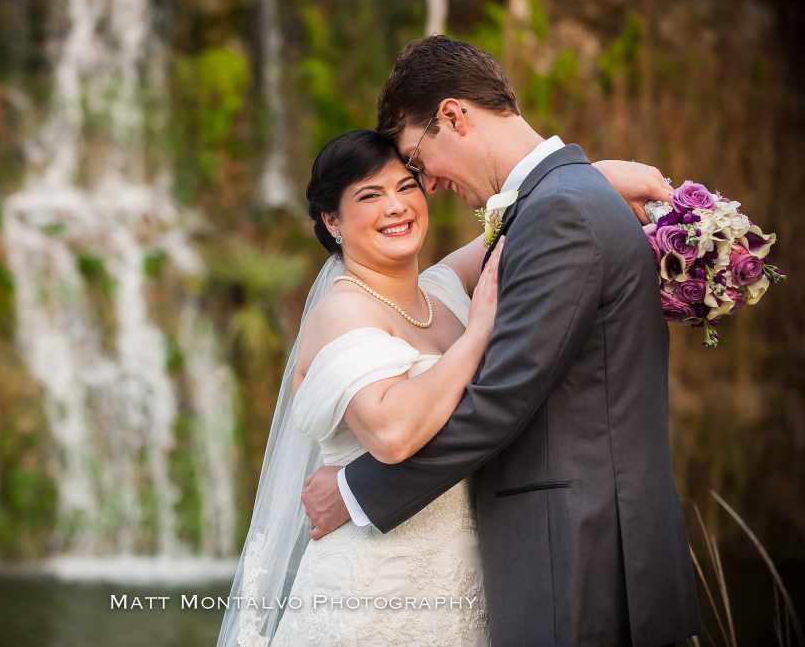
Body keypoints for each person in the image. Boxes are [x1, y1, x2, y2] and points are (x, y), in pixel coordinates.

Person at [299, 35, 702, 646]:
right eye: (375, 191)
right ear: (332, 221)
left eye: (414, 164)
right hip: (547, 550)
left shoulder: (556, 213)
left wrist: (354, 493)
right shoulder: (554, 204)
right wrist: (604, 173)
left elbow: (497, 402)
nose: (424, 185)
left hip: (576, 549)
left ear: (454, 117)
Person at [217, 123, 681, 645]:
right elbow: (391, 433)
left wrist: (597, 176)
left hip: (463, 583)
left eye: (406, 187)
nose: (396, 206)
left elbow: (524, 220)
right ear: (333, 221)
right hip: (376, 589)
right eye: (371, 196)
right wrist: (477, 334)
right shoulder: (342, 312)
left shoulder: (440, 290)